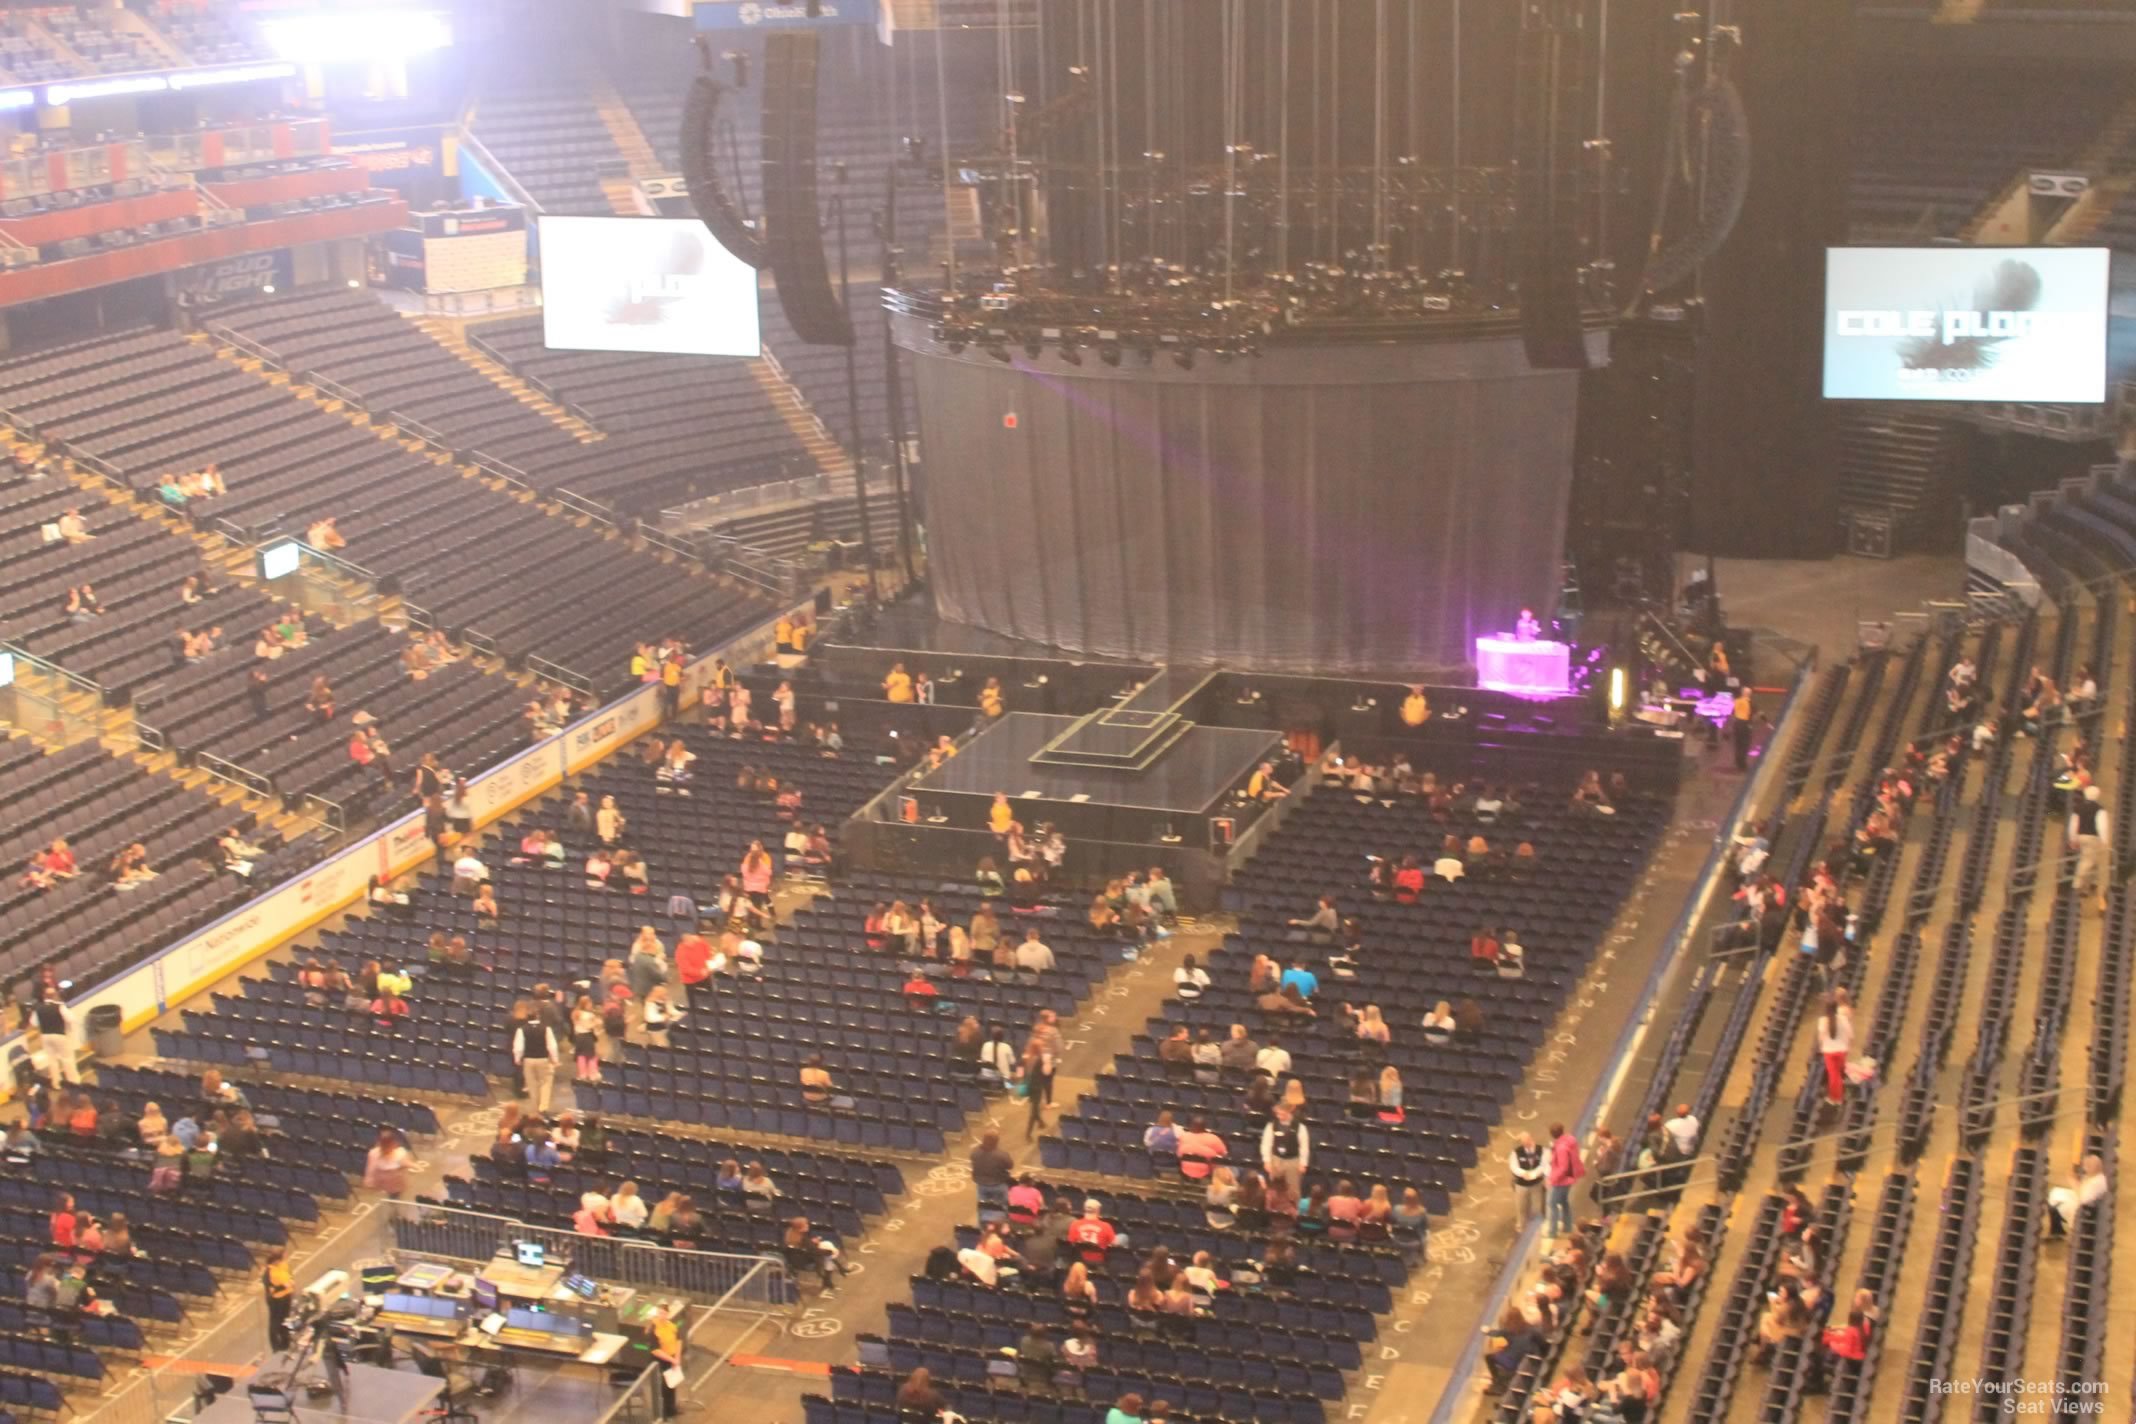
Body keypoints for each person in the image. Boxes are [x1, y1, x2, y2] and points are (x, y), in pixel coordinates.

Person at [2046, 1154, 2108, 1239]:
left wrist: (2073, 1182)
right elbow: (2084, 1189)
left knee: (2055, 1205)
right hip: (2083, 1200)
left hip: (2086, 1209)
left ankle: (2058, 1231)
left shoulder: (2097, 1183)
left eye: (2087, 1167)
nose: (2085, 1169)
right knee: (2055, 1193)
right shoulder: (2097, 1176)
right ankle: (2057, 1230)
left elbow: (2083, 1199)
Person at [2070, 784, 2110, 911]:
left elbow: (2073, 824)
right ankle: (2077, 885)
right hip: (2093, 838)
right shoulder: (2099, 809)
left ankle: (2089, 885)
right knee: (2088, 861)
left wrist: (2073, 838)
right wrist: (2105, 841)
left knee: (2092, 861)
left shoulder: (2078, 808)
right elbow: (2102, 826)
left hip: (2081, 836)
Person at [514, 1009, 559, 1114]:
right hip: (543, 1059)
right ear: (538, 1016)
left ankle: (535, 1107)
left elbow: (518, 1047)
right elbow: (552, 1046)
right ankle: (543, 1107)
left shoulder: (521, 1030)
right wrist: (555, 1059)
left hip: (528, 1060)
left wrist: (517, 1058)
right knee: (545, 1083)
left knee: (531, 1085)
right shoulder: (546, 1029)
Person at [1815, 989, 1854, 1106]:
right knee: (1837, 1075)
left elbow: (1821, 1037)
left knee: (1834, 1076)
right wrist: (1848, 1046)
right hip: (1842, 1050)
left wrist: (1822, 1047)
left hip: (1829, 1051)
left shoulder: (1822, 1021)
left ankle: (1835, 1098)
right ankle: (1837, 1097)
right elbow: (1850, 1034)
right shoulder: (1842, 1019)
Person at [1546, 1122, 1584, 1239]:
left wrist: (1552, 1179)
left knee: (1552, 1203)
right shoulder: (1569, 1140)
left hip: (1562, 1180)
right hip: (1570, 1178)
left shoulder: (1561, 1148)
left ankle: (1552, 1232)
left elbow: (1563, 1167)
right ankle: (1567, 1227)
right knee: (1563, 1201)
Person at [1260, 1104, 1309, 1194]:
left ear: (1289, 1112)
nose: (1279, 1116)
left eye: (1282, 1114)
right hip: (1276, 1160)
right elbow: (1266, 1144)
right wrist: (1266, 1160)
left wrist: (1303, 1163)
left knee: (1293, 1190)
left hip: (1292, 1161)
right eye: (1278, 1114)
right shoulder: (1272, 1125)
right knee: (1274, 1190)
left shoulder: (1300, 1127)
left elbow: (1304, 1147)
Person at [647, 1303, 684, 1419]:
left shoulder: (672, 1326)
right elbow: (655, 1350)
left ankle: (671, 1409)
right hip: (660, 1361)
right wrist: (672, 1360)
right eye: (659, 1313)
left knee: (672, 1384)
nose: (661, 1315)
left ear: (668, 1314)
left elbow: (678, 1341)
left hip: (672, 1359)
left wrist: (677, 1358)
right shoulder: (654, 1329)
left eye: (664, 1313)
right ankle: (662, 1414)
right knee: (662, 1387)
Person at [1510, 1131, 1547, 1231]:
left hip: (1536, 1184)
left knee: (1537, 1207)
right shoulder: (1516, 1152)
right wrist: (1523, 1173)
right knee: (1521, 1207)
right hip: (1521, 1185)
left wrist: (1535, 1174)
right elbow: (1513, 1166)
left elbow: (1544, 1165)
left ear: (1530, 1139)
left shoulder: (1541, 1150)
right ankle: (1521, 1227)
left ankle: (1536, 1228)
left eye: (1526, 1142)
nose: (1524, 1144)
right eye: (1522, 1143)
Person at [363, 1129, 411, 1199]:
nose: (385, 1147)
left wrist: (414, 1166)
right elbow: (370, 1168)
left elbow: (405, 1163)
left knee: (395, 1197)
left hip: (396, 1183)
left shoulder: (400, 1152)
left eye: (388, 1144)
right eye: (384, 1144)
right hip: (382, 1181)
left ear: (393, 1144)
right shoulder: (374, 1153)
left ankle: (394, 1201)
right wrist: (369, 1179)